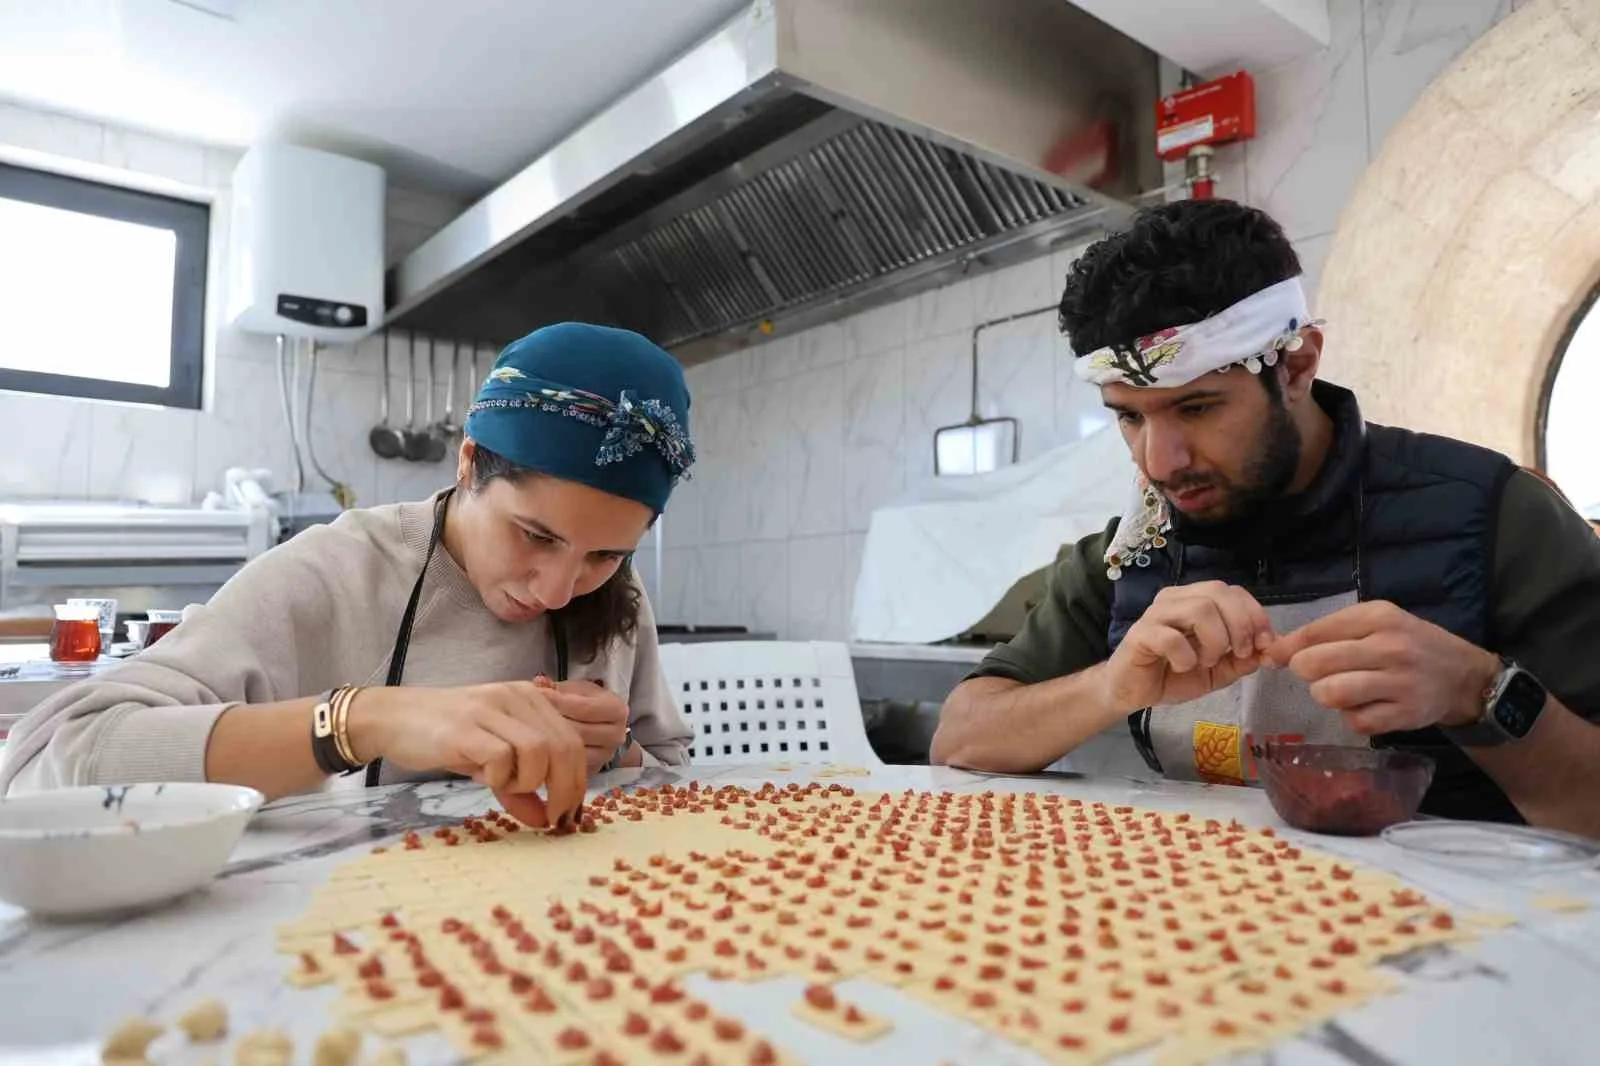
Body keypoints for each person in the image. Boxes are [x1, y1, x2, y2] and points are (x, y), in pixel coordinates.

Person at [931, 199, 1600, 837]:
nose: (1160, 462)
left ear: (1299, 364)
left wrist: (1479, 693)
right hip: (1213, 932)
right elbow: (960, 737)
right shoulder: (1129, 558)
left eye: (1197, 408)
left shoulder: (1489, 519)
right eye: (1129, 416)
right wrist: (1109, 686)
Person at [0, 323, 697, 828]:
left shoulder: (617, 598)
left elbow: (669, 769)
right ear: (468, 464)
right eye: (534, 534)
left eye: (605, 556)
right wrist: (363, 720)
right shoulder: (336, 572)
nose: (554, 590)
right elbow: (52, 766)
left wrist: (619, 753)